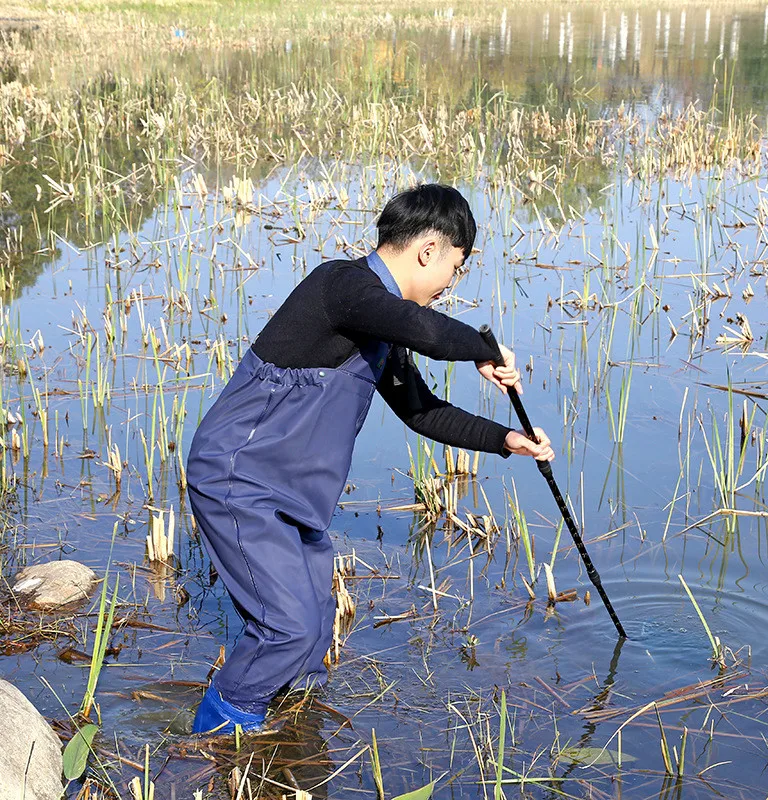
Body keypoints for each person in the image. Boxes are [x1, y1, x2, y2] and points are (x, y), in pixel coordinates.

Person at [186, 183, 555, 734]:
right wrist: (484, 348)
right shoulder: (342, 288)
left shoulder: (380, 323)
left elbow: (422, 411)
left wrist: (506, 440)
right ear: (429, 249)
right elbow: (425, 330)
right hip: (238, 480)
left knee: (310, 633)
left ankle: (279, 747)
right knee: (286, 629)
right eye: (455, 268)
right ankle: (213, 744)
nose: (451, 284)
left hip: (292, 496)